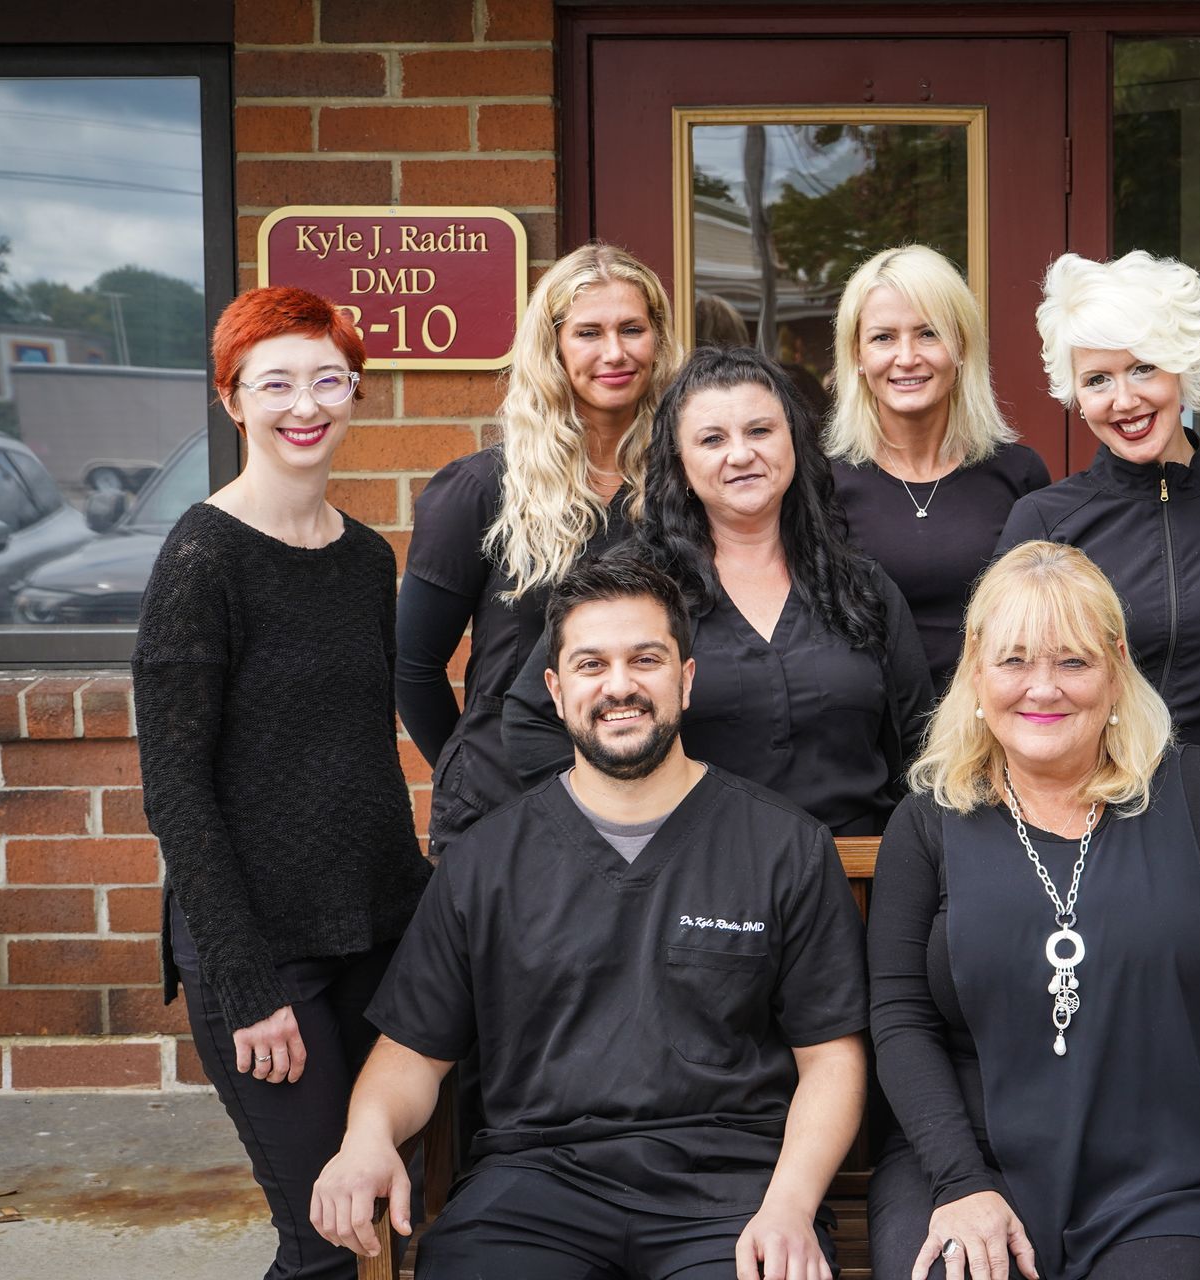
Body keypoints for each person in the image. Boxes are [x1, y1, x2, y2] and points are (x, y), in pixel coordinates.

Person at [310, 556, 868, 1280]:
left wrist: (790, 1207)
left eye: (646, 659)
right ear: (556, 688)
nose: (620, 685)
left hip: (731, 1196)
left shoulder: (782, 846)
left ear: (686, 679)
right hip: (534, 1194)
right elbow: (412, 1053)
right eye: (591, 664)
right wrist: (367, 1137)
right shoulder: (486, 862)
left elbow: (832, 1059)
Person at [868, 540, 1200, 1280]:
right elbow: (900, 1017)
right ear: (976, 671)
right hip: (977, 1167)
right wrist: (960, 1181)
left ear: (1115, 668)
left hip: (1181, 1180)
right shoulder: (928, 822)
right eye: (1015, 661)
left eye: (1072, 661)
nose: (1044, 688)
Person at [133, 286, 431, 1280]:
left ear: (354, 393)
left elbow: (357, 755)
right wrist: (247, 982)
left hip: (374, 935)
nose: (305, 404)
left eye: (328, 380)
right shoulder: (203, 557)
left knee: (393, 1216)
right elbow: (176, 790)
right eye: (276, 382)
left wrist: (425, 920)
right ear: (234, 399)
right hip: (265, 960)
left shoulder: (363, 560)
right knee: (327, 1241)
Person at [503, 346, 933, 836]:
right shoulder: (630, 588)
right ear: (680, 464)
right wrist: (618, 838)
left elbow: (924, 743)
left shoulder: (862, 587)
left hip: (854, 879)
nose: (741, 454)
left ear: (794, 441)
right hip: (687, 884)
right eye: (712, 439)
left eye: (760, 431)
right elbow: (530, 724)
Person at [396, 243, 680, 851]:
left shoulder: (683, 489)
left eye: (632, 329)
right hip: (504, 811)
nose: (614, 352)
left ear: (658, 341)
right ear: (552, 346)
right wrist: (471, 762)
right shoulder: (479, 490)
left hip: (650, 806)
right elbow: (412, 667)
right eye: (588, 332)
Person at [996, 251, 1200, 802]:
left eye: (1143, 368)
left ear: (1181, 366)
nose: (1124, 400)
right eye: (1097, 379)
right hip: (1086, 822)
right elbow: (1001, 687)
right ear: (1077, 397)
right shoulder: (1042, 523)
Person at [826, 245, 1049, 688]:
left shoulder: (1019, 475)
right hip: (871, 739)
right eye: (883, 337)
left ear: (962, 346)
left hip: (994, 733)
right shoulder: (821, 483)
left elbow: (1043, 623)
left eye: (928, 333)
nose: (906, 357)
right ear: (856, 355)